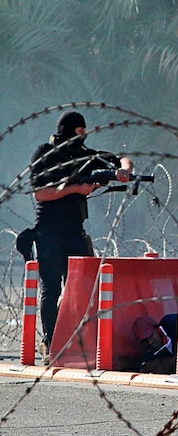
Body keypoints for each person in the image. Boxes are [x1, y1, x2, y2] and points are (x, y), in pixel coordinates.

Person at [29, 111, 133, 359]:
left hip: (75, 231)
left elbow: (121, 159)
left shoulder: (85, 156)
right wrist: (77, 188)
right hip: (49, 232)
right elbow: (40, 193)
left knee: (78, 289)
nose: (82, 137)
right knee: (51, 290)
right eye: (78, 132)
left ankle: (77, 342)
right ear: (68, 131)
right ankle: (50, 344)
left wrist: (123, 171)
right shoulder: (45, 153)